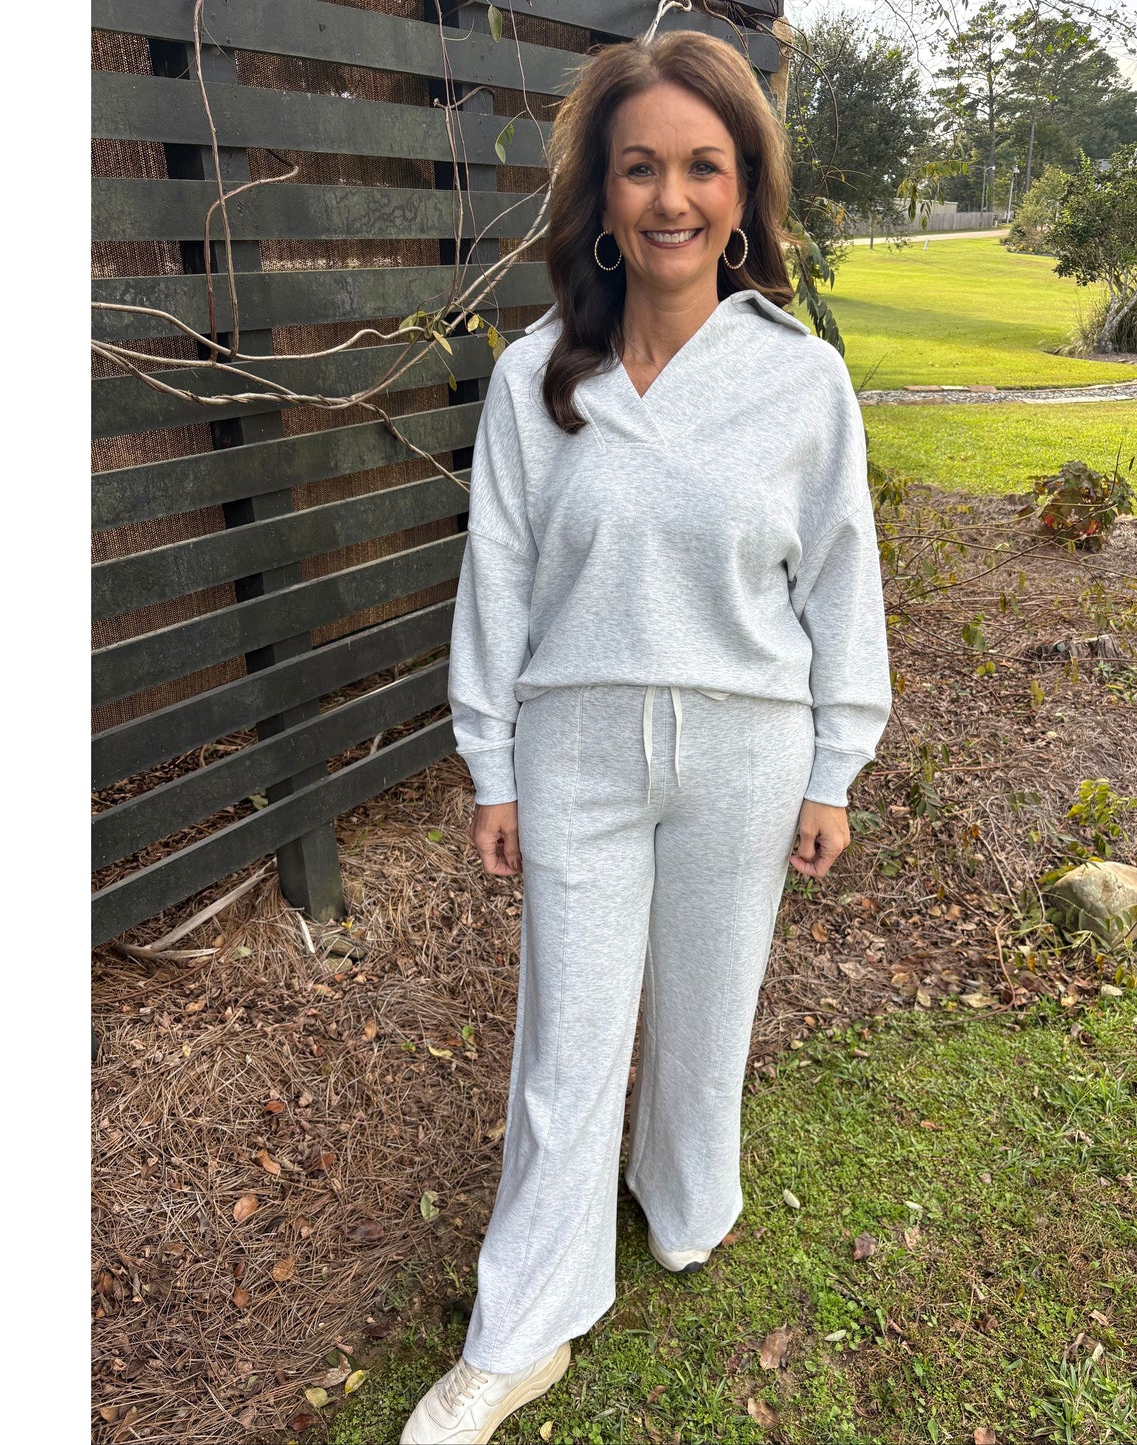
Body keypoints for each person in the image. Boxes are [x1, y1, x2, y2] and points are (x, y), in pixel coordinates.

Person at [401, 28, 891, 1445]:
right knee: (565, 1045)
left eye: (701, 165)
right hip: (575, 754)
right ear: (601, 194)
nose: (669, 198)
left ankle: (685, 1202)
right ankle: (523, 1323)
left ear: (743, 190)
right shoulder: (532, 380)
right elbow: (494, 578)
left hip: (746, 750)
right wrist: (489, 760)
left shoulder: (799, 382)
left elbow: (842, 577)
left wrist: (832, 766)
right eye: (639, 168)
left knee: (706, 1005)